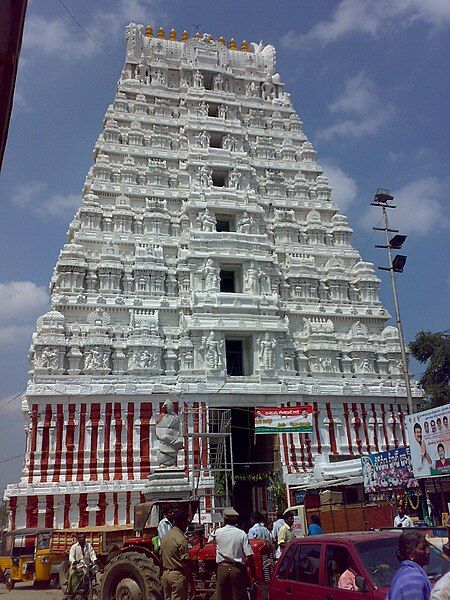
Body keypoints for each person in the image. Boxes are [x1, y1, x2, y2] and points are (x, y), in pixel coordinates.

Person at [215, 507, 255, 600]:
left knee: (221, 596)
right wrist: (253, 572)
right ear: (236, 519)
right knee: (238, 596)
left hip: (222, 569)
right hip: (236, 569)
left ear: (224, 519)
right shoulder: (242, 534)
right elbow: (249, 555)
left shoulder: (217, 532)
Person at [160, 510, 195, 600]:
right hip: (177, 576)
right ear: (183, 523)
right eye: (186, 523)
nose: (187, 526)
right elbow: (185, 564)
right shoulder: (181, 539)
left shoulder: (165, 537)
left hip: (165, 575)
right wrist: (192, 584)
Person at [387, 531, 431, 600]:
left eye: (427, 547)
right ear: (410, 554)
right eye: (423, 548)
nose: (428, 552)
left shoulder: (403, 574)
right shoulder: (412, 578)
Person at [64, 532, 97, 599]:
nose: (82, 539)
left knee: (93, 575)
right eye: (81, 538)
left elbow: (92, 553)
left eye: (84, 538)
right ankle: (70, 592)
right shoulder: (74, 547)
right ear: (78, 539)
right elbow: (71, 557)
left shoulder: (88, 545)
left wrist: (94, 559)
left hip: (87, 567)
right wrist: (74, 561)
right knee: (72, 574)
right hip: (77, 567)